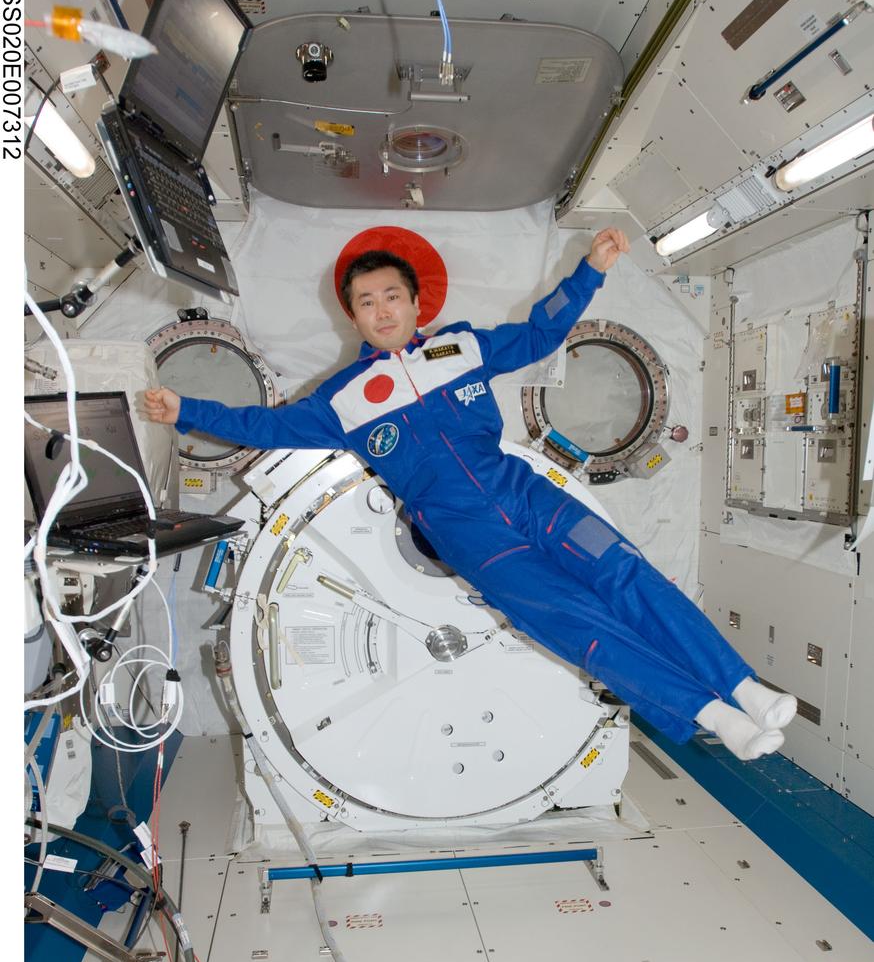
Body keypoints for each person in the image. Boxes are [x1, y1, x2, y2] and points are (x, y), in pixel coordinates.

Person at [145, 229, 796, 760]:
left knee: (626, 573)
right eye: (367, 301)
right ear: (353, 315)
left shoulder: (459, 348)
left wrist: (589, 270)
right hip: (474, 542)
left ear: (414, 303)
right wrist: (183, 408)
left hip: (532, 497)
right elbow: (261, 425)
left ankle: (742, 686)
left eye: (392, 296)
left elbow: (539, 334)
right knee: (578, 624)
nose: (382, 310)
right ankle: (710, 713)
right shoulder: (341, 401)